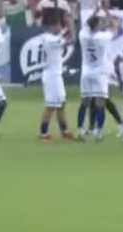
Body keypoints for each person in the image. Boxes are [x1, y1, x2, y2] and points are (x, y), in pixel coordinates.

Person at [76, 14, 115, 141]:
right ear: (97, 25)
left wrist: (96, 12)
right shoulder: (103, 37)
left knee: (84, 101)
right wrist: (110, 20)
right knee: (100, 102)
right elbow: (115, 29)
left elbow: (87, 23)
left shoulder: (82, 35)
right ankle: (98, 131)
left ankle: (80, 129)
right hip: (99, 73)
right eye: (100, 23)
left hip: (86, 72)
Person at [37, 13, 73, 141]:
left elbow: (62, 34)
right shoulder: (50, 39)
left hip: (56, 74)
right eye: (58, 25)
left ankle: (65, 131)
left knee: (61, 103)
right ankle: (43, 133)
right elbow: (70, 40)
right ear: (51, 26)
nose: (60, 27)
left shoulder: (48, 37)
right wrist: (70, 24)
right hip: (51, 76)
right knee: (51, 105)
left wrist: (67, 24)